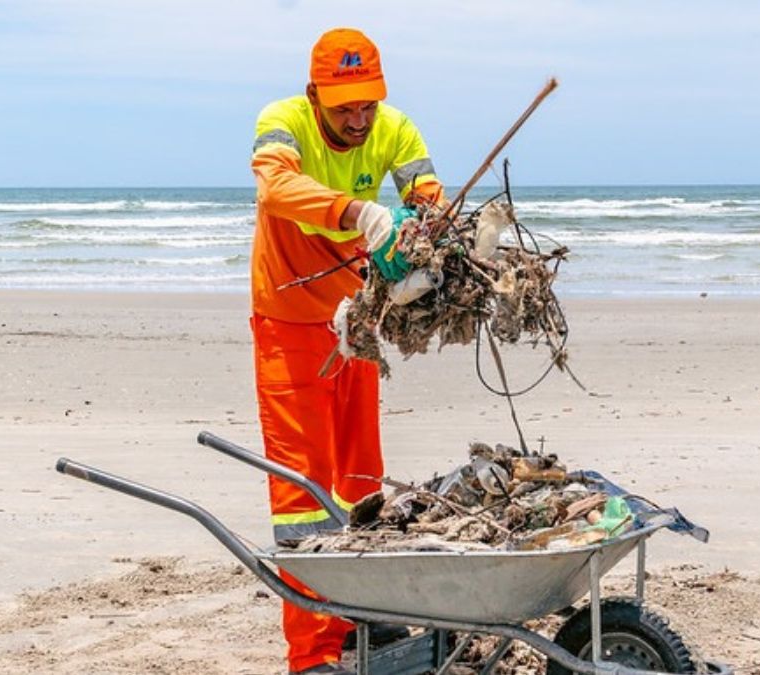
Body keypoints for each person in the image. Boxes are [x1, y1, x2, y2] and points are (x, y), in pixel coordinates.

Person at [248, 27, 445, 675]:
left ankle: (370, 612)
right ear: (316, 95)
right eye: (345, 108)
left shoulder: (394, 129)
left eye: (367, 104)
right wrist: (357, 212)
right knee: (303, 492)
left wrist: (430, 232)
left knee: (361, 474)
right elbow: (275, 190)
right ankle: (313, 656)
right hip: (288, 323)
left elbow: (428, 198)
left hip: (352, 322)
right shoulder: (283, 123)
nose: (359, 120)